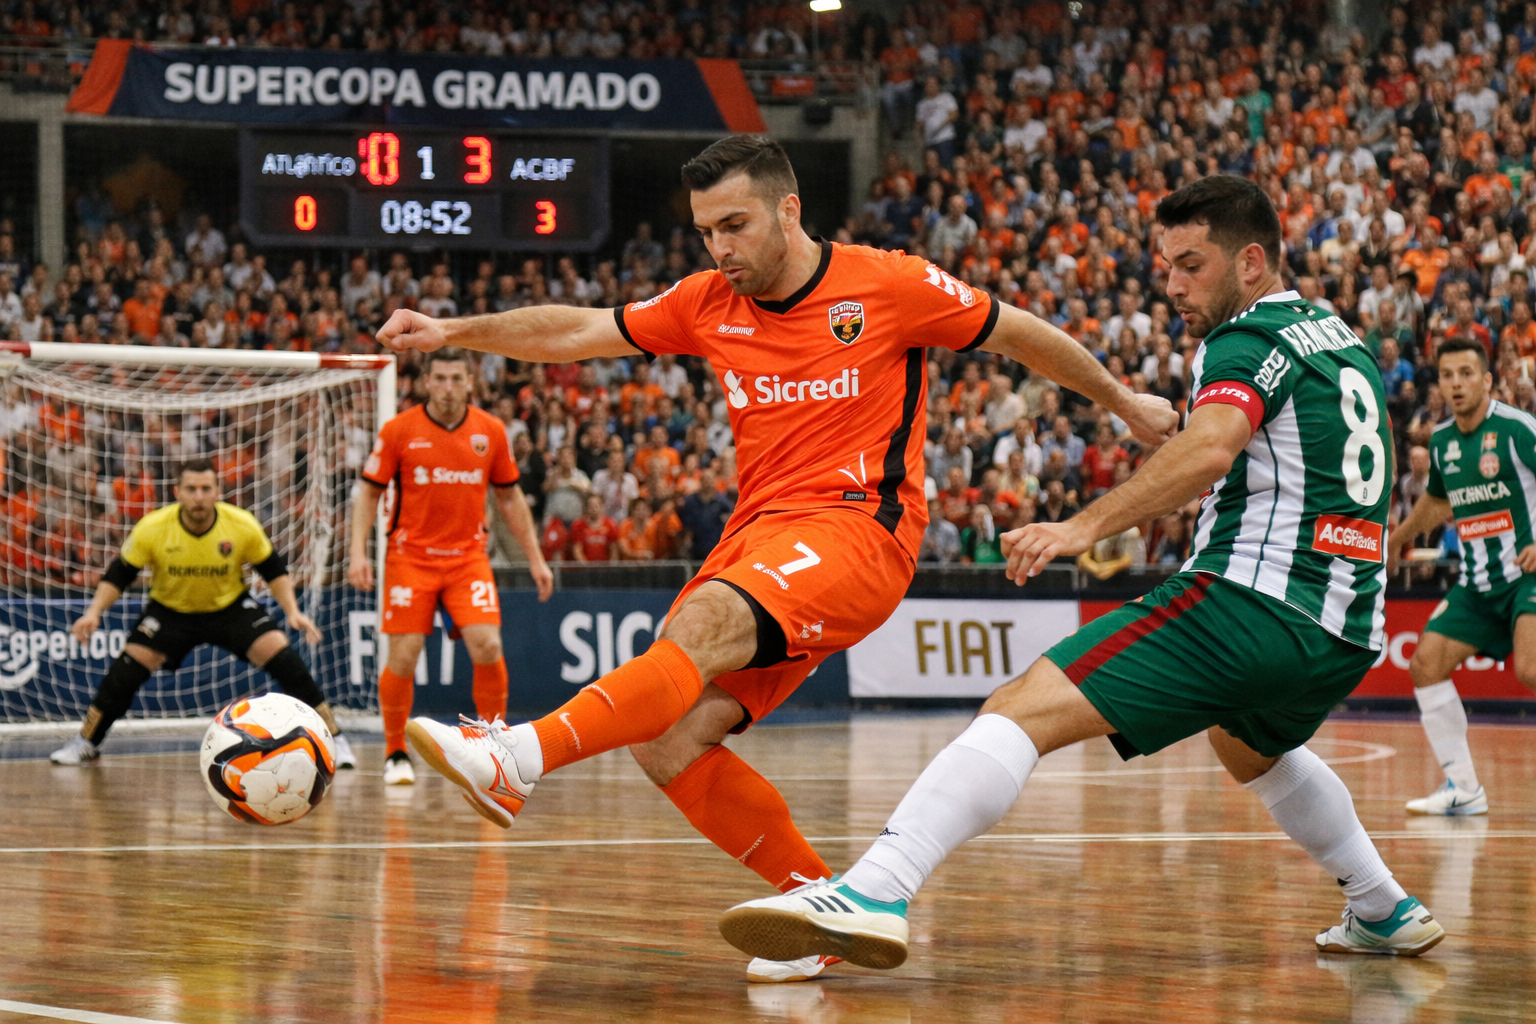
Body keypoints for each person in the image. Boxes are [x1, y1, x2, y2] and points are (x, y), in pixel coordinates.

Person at [375, 135, 1176, 984]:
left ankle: (517, 759)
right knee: (669, 739)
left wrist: (1121, 403)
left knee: (707, 621)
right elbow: (578, 331)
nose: (721, 249)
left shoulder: (887, 285)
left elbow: (1019, 335)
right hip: (760, 533)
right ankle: (822, 909)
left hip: (861, 531)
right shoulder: (705, 302)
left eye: (735, 225)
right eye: (706, 232)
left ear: (788, 210)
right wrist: (455, 329)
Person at [717, 174, 1443, 970]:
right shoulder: (1337, 334)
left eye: (1191, 264)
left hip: (1251, 602)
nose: (1171, 285)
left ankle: (876, 889)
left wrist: (1081, 526)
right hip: (1344, 626)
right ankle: (1381, 906)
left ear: (1253, 262)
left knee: (1020, 707)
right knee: (1246, 745)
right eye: (1165, 264)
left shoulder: (1246, 342)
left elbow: (1207, 450)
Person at [50, 460, 354, 769]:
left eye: (206, 489)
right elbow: (119, 574)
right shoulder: (153, 527)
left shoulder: (241, 524)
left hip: (230, 608)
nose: (198, 496)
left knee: (288, 662)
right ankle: (86, 742)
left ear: (218, 492)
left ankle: (336, 739)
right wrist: (94, 612)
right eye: (191, 489)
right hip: (170, 612)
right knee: (123, 675)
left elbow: (273, 569)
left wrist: (292, 611)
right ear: (177, 492)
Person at [346, 347, 552, 786]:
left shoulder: (491, 431)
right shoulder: (400, 430)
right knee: (403, 655)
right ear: (425, 383)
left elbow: (511, 497)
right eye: (439, 379)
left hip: (467, 559)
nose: (447, 388)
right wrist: (358, 553)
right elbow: (367, 493)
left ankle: (493, 745)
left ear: (471, 382)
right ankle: (395, 751)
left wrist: (535, 558)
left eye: (456, 379)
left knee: (488, 647)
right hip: (410, 558)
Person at [1385, 336, 1536, 816]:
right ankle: (1463, 787)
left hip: (1527, 575)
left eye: (1466, 374)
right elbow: (1436, 503)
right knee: (1425, 664)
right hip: (1478, 584)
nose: (1456, 384)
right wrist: (1396, 539)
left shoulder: (1518, 430)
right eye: (1447, 375)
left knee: (1530, 670)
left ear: (1488, 379)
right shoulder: (1444, 441)